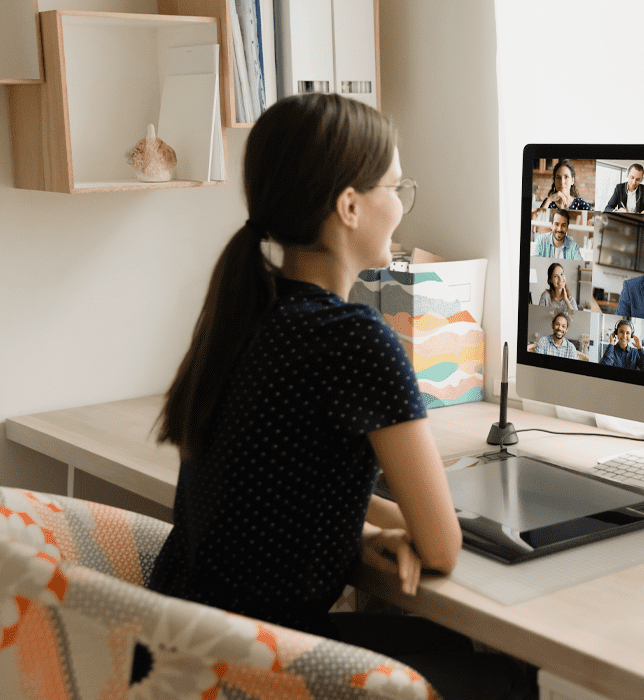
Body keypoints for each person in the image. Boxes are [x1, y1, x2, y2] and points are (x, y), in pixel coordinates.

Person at [148, 93, 533, 700]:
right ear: (349, 206)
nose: (400, 211)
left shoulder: (248, 311)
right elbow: (441, 548)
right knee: (505, 676)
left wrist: (359, 530)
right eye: (394, 190)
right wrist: (389, 527)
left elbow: (279, 485)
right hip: (254, 671)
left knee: (448, 648)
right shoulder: (355, 340)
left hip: (182, 647)